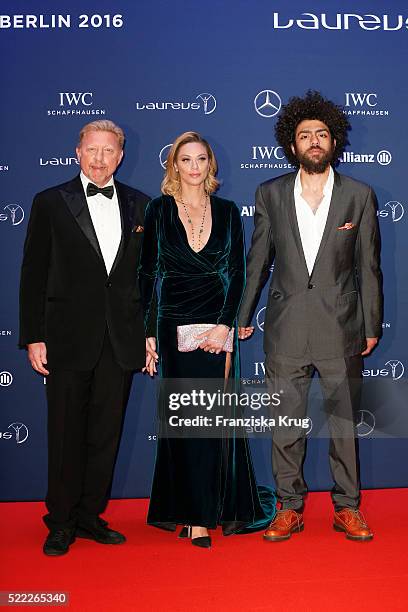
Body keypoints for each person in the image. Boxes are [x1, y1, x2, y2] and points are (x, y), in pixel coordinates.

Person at [238, 91, 383, 542]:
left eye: (322, 134)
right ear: (292, 143)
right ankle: (289, 506)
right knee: (286, 423)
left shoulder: (359, 194)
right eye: (306, 136)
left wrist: (372, 324)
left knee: (343, 424)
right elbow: (258, 260)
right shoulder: (270, 193)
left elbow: (368, 266)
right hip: (284, 329)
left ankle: (347, 507)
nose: (314, 142)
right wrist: (244, 312)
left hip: (341, 328)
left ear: (334, 140)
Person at [19, 120, 156, 556]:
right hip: (65, 338)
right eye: (92, 150)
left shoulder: (141, 204)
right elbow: (33, 273)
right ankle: (59, 521)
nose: (99, 159)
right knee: (64, 434)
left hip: (120, 339)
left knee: (105, 433)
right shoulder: (50, 202)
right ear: (77, 152)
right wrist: (33, 336)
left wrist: (148, 334)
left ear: (121, 156)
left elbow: (146, 279)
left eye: (109, 151)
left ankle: (90, 516)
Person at [140, 131, 275, 548]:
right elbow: (148, 275)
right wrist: (147, 333)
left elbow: (238, 272)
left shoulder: (229, 210)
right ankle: (194, 515)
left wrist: (224, 325)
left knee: (213, 423)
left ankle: (213, 508)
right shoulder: (159, 209)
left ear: (210, 165)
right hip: (172, 323)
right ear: (174, 166)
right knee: (184, 423)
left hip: (217, 325)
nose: (194, 167)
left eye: (201, 159)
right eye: (186, 159)